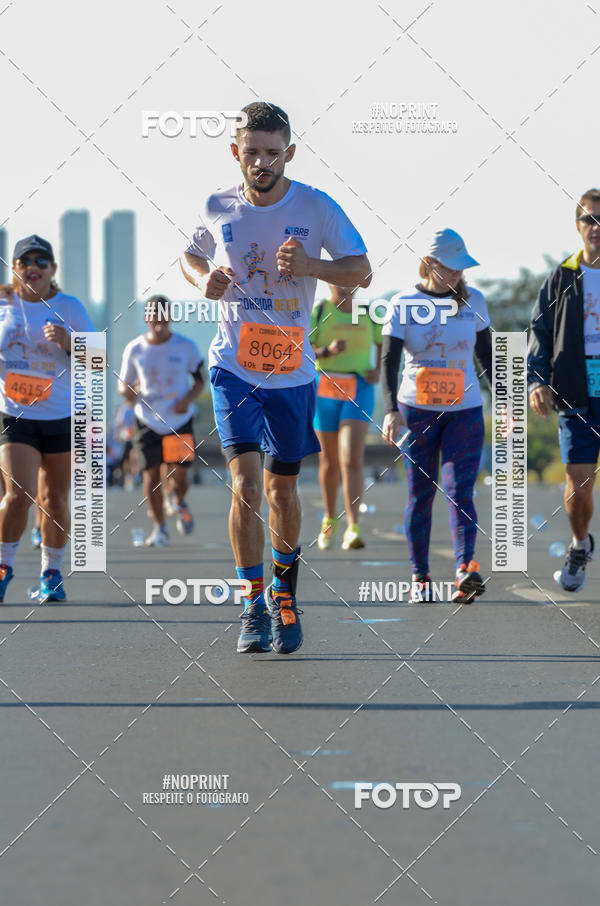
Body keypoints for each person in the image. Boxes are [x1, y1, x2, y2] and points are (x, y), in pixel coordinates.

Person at [180, 101, 371, 654]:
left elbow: (360, 267)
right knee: (244, 485)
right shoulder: (217, 204)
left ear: (289, 153)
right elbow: (191, 256)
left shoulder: (316, 206)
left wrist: (312, 267)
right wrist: (203, 281)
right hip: (233, 367)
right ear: (235, 151)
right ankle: (252, 607)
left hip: (292, 371)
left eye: (272, 152)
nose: (261, 162)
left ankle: (285, 592)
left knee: (281, 489)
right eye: (252, 152)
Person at [380, 229, 492, 603]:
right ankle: (420, 577)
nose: (458, 274)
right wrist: (391, 411)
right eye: (451, 267)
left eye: (462, 267)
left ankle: (464, 570)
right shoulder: (403, 303)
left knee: (461, 491)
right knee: (421, 494)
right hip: (418, 411)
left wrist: (505, 403)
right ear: (430, 264)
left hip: (465, 411)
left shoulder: (474, 300)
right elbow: (389, 360)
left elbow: (488, 357)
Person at [0, 234, 97, 602]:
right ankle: (4, 565)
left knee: (55, 498)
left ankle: (51, 573)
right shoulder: (2, 302)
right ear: (15, 268)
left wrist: (70, 342)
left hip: (61, 415)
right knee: (18, 494)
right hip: (15, 414)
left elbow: (98, 359)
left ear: (53, 269)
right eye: (26, 261)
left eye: (42, 262)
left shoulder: (68, 307)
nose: (33, 268)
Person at [528, 188, 600, 592]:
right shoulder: (561, 276)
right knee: (578, 479)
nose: (596, 228)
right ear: (578, 226)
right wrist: (537, 380)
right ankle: (579, 543)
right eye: (589, 219)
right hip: (576, 386)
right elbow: (539, 332)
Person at [118, 296, 205, 546]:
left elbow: (199, 380)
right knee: (150, 476)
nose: (158, 319)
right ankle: (160, 527)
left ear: (170, 316)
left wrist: (187, 399)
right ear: (146, 318)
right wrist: (128, 392)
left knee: (180, 477)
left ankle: (177, 500)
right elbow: (123, 384)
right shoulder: (135, 349)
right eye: (153, 314)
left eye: (163, 314)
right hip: (147, 420)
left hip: (179, 420)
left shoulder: (185, 346)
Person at [310, 284, 382, 550]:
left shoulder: (369, 311)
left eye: (350, 280)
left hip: (359, 386)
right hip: (325, 387)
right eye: (338, 280)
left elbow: (383, 343)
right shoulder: (319, 311)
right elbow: (301, 351)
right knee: (329, 462)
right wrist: (327, 351)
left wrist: (378, 369)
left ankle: (353, 526)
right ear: (329, 282)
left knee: (351, 457)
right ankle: (329, 519)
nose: (344, 286)